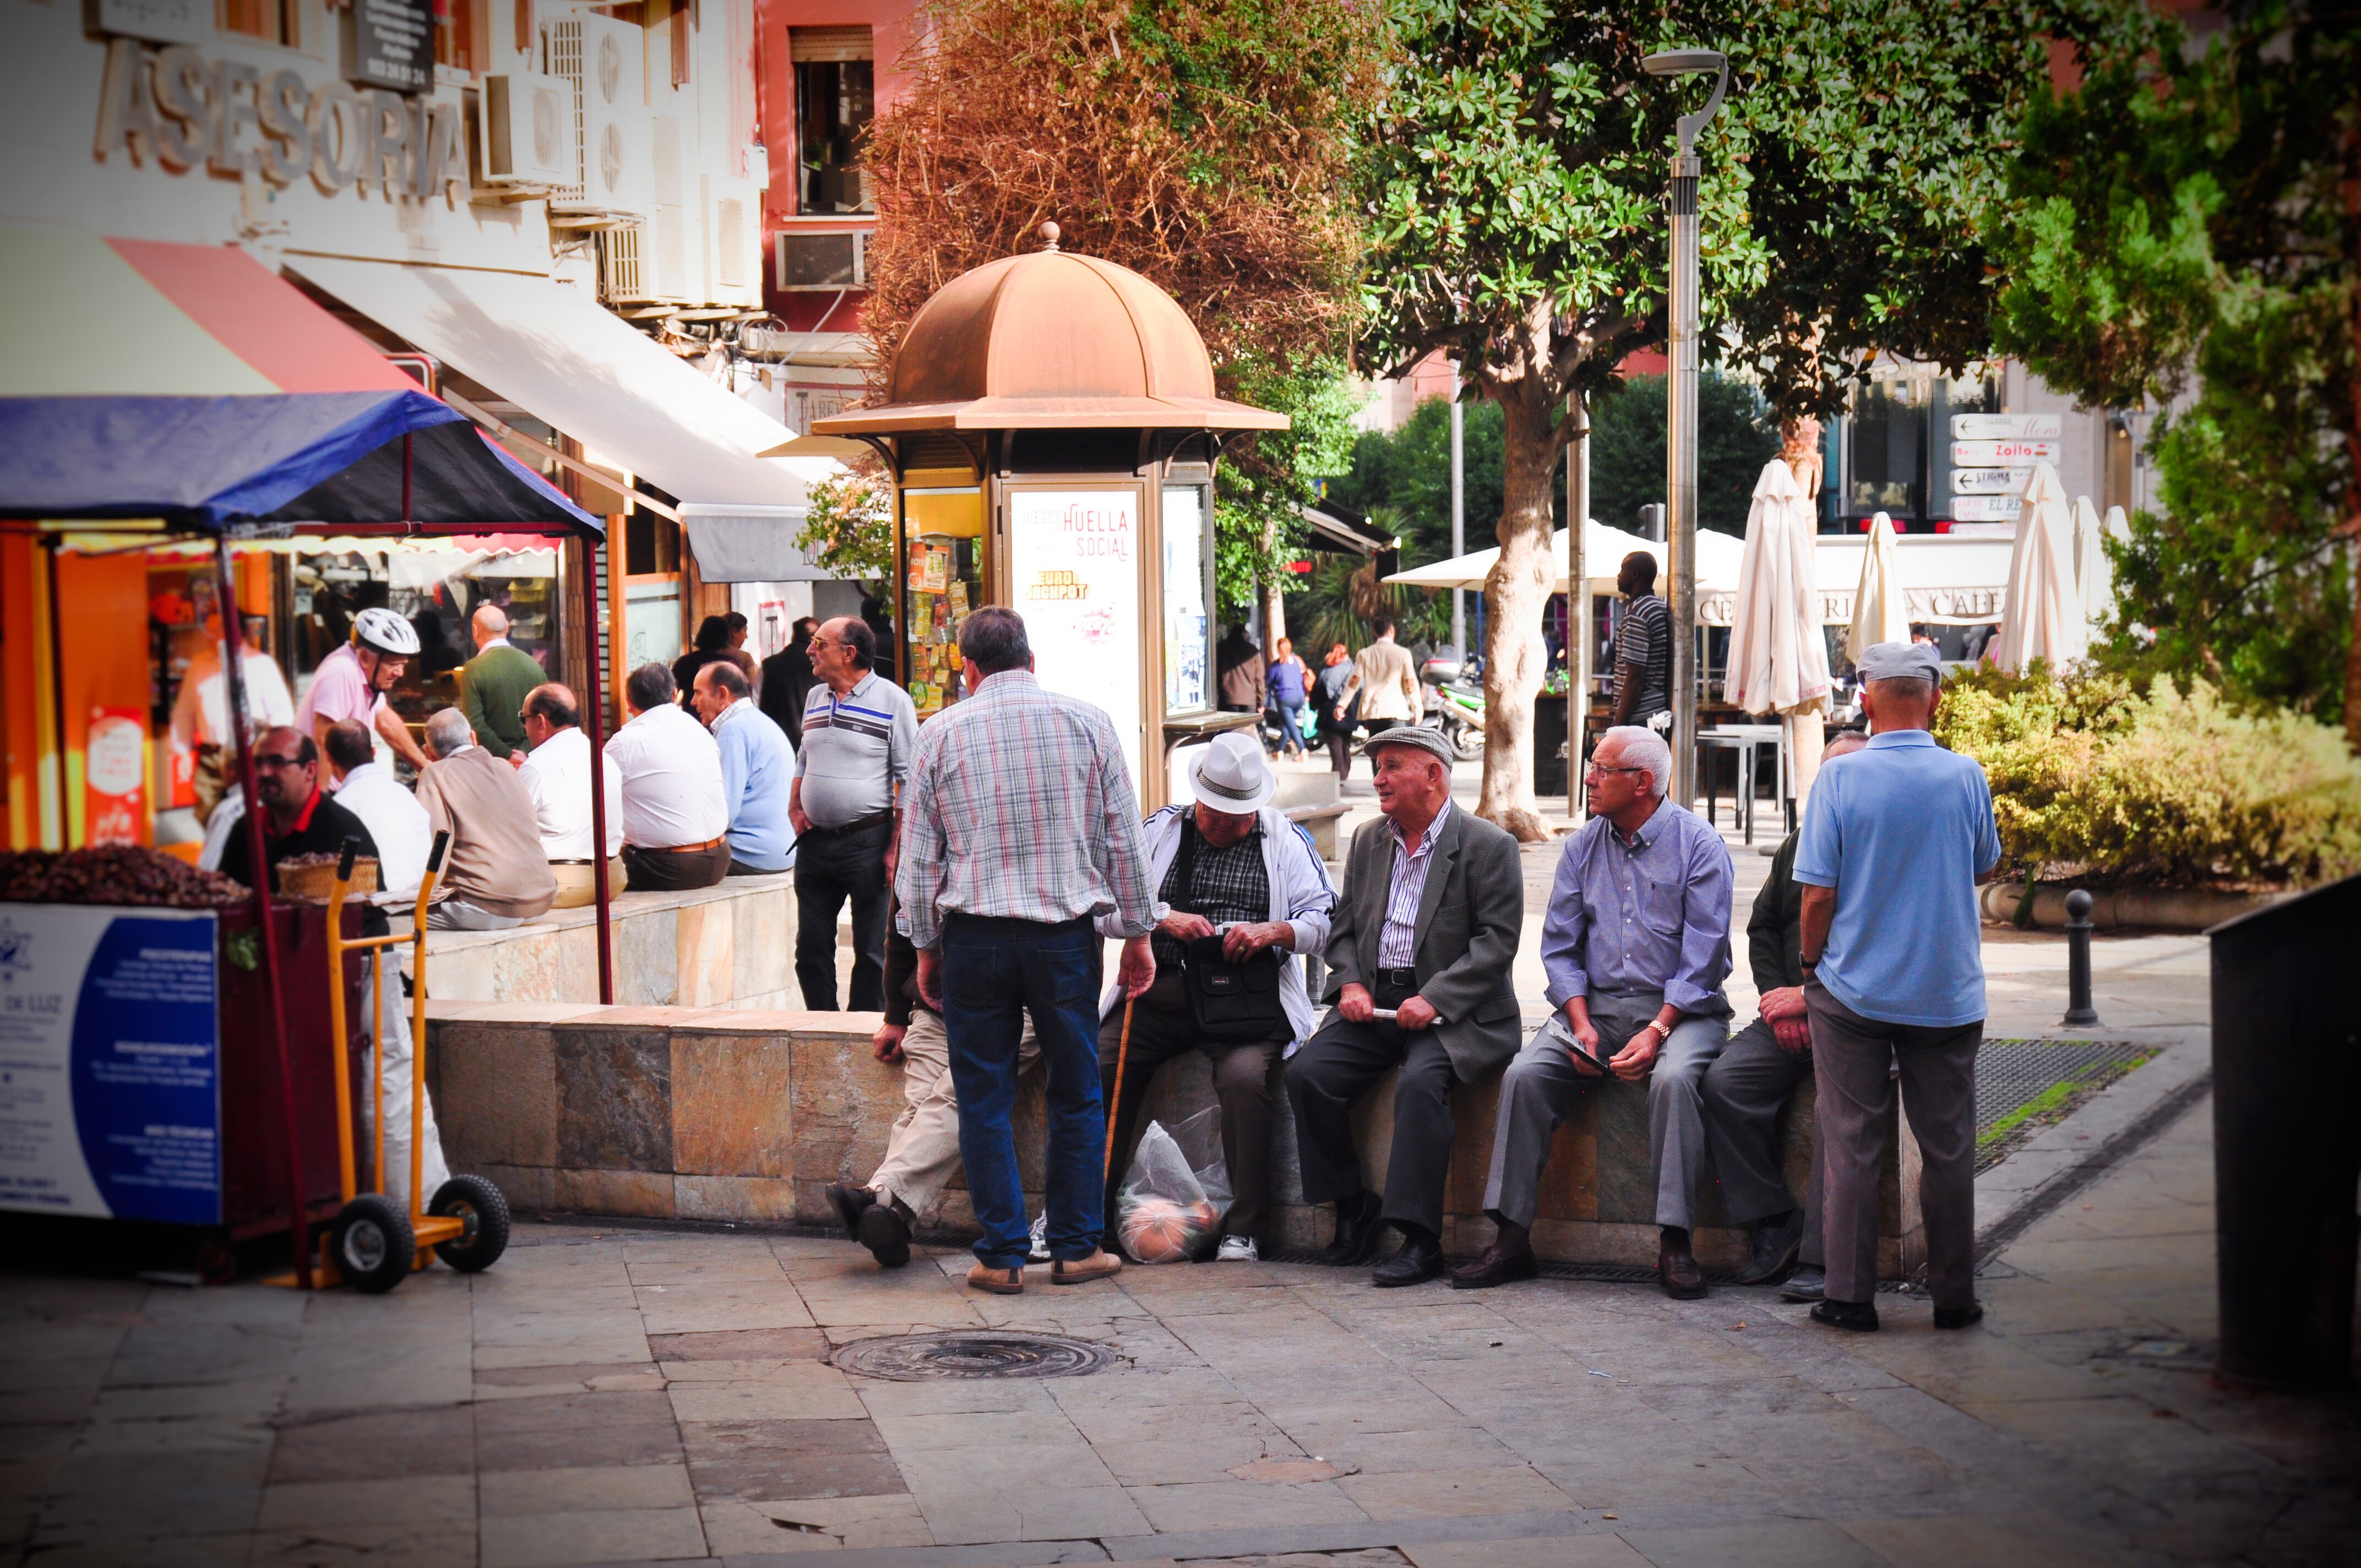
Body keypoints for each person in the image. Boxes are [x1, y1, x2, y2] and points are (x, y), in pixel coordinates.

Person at [896, 606, 1156, 1294]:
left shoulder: (939, 733)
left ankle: (1002, 1256)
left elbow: (919, 863)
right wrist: (1138, 931)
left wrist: (925, 946)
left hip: (975, 939)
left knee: (983, 1097)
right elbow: (1124, 839)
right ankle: (1075, 1248)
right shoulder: (1089, 723)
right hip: (1063, 938)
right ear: (1032, 662)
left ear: (968, 668)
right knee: (1078, 1090)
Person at [1452, 725, 1736, 1297]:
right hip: (1596, 1009)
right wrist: (1580, 1025)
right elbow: (1559, 946)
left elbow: (1703, 958)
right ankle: (1509, 1238)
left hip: (1682, 1012)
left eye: (1602, 769)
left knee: (1675, 1080)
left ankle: (1674, 1242)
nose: (1588, 778)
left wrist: (1657, 1030)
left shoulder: (1699, 844)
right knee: (1524, 1075)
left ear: (1642, 782)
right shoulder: (1582, 844)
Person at [1796, 642, 2002, 1334]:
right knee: (1948, 1148)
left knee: (1851, 1142)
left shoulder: (1840, 779)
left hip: (1853, 989)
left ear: (1867, 697)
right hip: (1945, 992)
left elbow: (1817, 893)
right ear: (1935, 698)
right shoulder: (1965, 775)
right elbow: (1981, 866)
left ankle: (1850, 1298)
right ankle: (1953, 1297)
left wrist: (1808, 964)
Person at [1283, 726, 1522, 1287]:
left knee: (1420, 1084)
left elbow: (1497, 942)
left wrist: (1435, 996)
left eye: (1392, 766)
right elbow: (1342, 930)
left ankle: (1420, 1239)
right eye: (1378, 767)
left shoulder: (1489, 845)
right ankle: (1351, 1205)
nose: (1378, 779)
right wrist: (1349, 984)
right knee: (1308, 1073)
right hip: (1377, 1001)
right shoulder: (1371, 839)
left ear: (1433, 775)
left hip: (1459, 1012)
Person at [1097, 732, 1336, 1261]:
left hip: (1247, 999)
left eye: (1238, 817)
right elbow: (1104, 907)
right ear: (1197, 799)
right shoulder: (1159, 831)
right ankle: (1082, 1214)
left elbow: (1326, 919)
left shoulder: (1286, 839)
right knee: (1101, 1062)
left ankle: (1245, 1227)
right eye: (1215, 815)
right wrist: (1162, 917)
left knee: (1246, 1078)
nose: (1226, 826)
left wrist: (1274, 932)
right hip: (1162, 987)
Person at [1699, 729, 1870, 1304]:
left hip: (1855, 1014)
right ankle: (1773, 1220)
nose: (1836, 783)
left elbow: (1881, 945)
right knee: (1724, 1082)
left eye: (1849, 771)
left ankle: (1824, 1259)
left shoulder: (1880, 845)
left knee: (1833, 1112)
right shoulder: (1799, 842)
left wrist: (1811, 994)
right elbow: (1763, 927)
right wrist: (1778, 998)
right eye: (1828, 772)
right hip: (1790, 1010)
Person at [826, 910, 1042, 1269]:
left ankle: (878, 1196)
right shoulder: (920, 854)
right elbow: (899, 929)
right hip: (937, 1004)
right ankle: (890, 1221)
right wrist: (895, 1016)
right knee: (919, 1106)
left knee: (956, 1097)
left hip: (1020, 1008)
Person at [791, 617, 919, 1011]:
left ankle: (861, 1030)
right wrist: (795, 806)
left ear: (849, 653)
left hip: (868, 841)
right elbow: (803, 758)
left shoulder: (893, 701)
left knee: (871, 950)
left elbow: (909, 780)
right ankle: (821, 1025)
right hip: (814, 842)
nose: (810, 650)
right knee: (810, 948)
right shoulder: (815, 697)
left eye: (820, 644)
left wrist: (896, 847)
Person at [412, 709, 557, 931]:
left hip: (487, 906)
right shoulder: (505, 767)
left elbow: (434, 845)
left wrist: (416, 896)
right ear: (473, 737)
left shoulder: (435, 774)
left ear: (430, 753)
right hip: (540, 902)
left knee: (396, 920)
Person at [605, 663, 731, 892]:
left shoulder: (625, 742)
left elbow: (594, 801)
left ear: (629, 702)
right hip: (720, 858)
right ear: (674, 695)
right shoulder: (701, 732)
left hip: (667, 866)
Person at [217, 726, 380, 892]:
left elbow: (368, 914)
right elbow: (225, 895)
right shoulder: (247, 828)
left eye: (277, 762)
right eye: (257, 763)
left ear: (310, 771)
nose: (264, 773)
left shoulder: (342, 832)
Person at [690, 659, 797, 877]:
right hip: (780, 851)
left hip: (752, 853)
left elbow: (723, 812)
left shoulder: (733, 731)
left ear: (722, 695)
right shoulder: (756, 721)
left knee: (667, 860)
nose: (693, 702)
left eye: (698, 693)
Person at [295, 606, 431, 773]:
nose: (400, 673)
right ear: (364, 657)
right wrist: (322, 799)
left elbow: (387, 723)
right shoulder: (342, 672)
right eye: (393, 665)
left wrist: (425, 767)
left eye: (403, 664)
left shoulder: (366, 676)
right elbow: (323, 741)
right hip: (323, 785)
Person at [515, 683, 625, 867]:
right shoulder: (604, 759)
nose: (525, 727)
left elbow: (509, 828)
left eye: (524, 719)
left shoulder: (537, 767)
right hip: (611, 874)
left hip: (559, 877)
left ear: (541, 722)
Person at [324, 719, 431, 900]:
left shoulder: (340, 806)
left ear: (329, 759)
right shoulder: (405, 795)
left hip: (380, 909)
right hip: (421, 901)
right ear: (374, 752)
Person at [456, 604, 545, 760]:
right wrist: (523, 752)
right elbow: (545, 715)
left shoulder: (472, 670)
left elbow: (475, 724)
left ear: (475, 631)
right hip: (531, 759)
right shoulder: (533, 665)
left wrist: (507, 754)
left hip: (492, 763)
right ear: (507, 628)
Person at [1335, 616, 1420, 747]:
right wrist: (1417, 709)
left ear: (1375, 633)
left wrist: (1342, 705)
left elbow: (1354, 682)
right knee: (1395, 753)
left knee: (1377, 754)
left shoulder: (1364, 654)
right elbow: (1410, 683)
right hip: (1396, 710)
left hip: (1372, 710)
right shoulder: (1403, 653)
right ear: (1392, 630)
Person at [1610, 552, 1673, 731]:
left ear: (1635, 574)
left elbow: (1635, 678)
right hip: (1657, 714)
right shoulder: (1659, 607)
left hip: (1639, 717)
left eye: (1623, 570)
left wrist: (1617, 726)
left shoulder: (1637, 613)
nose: (1619, 575)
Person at [759, 616, 820, 741]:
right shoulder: (823, 666)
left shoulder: (769, 665)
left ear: (794, 636)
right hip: (810, 740)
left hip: (775, 739)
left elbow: (756, 700)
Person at [1312, 641, 1357, 777]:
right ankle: (1345, 770)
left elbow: (1317, 693)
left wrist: (1314, 706)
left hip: (1330, 710)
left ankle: (1338, 771)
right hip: (1350, 709)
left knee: (1334, 742)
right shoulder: (1353, 670)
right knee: (1345, 743)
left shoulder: (1326, 672)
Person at [672, 616, 735, 709]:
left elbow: (673, 691)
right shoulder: (728, 665)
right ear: (726, 638)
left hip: (692, 715)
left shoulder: (684, 663)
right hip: (720, 714)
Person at [1264, 636, 1310, 759]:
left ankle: (1302, 749)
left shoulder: (1276, 666)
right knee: (1286, 723)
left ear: (1278, 649)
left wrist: (1264, 703)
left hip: (1285, 699)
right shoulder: (1298, 661)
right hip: (1300, 697)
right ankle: (1280, 751)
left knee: (1291, 725)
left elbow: (1267, 684)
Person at [1216, 624, 1265, 714]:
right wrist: (1261, 701)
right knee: (1247, 727)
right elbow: (1259, 678)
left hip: (1228, 698)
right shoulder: (1253, 651)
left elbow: (1216, 674)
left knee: (1230, 728)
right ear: (1244, 634)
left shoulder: (1221, 648)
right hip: (1249, 699)